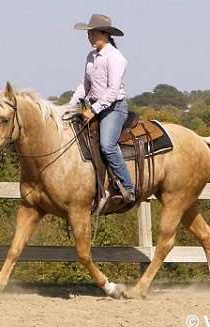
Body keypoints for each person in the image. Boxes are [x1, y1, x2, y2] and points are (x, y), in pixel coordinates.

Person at [69, 13, 135, 204]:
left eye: (93, 32)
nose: (89, 36)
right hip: (94, 106)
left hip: (114, 108)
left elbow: (113, 91)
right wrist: (71, 105)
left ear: (104, 34)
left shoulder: (116, 58)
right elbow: (84, 85)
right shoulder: (91, 57)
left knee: (107, 145)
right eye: (89, 33)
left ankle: (128, 188)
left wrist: (94, 110)